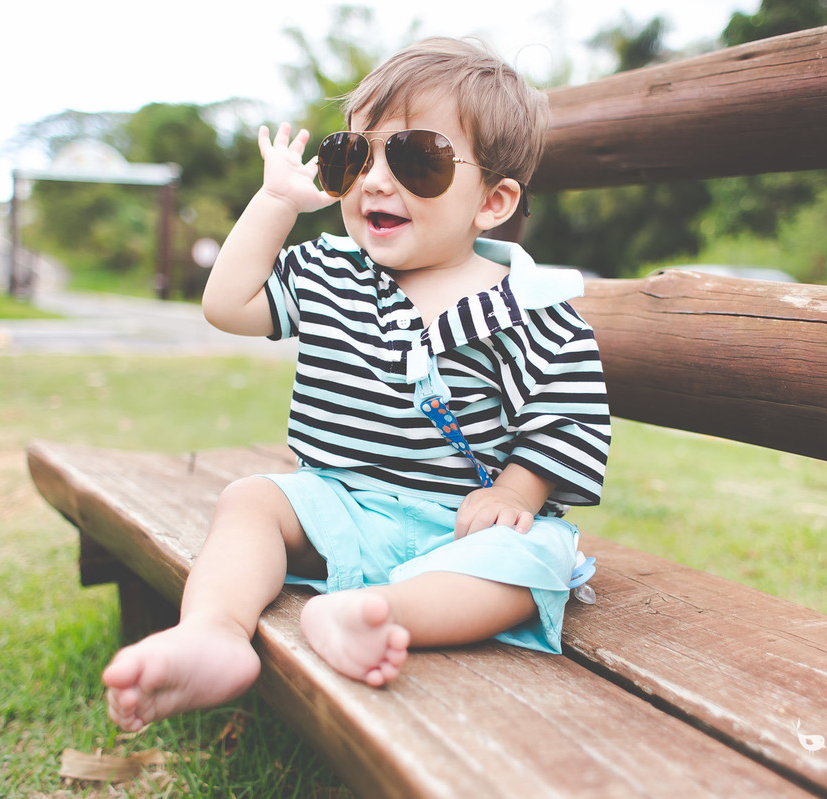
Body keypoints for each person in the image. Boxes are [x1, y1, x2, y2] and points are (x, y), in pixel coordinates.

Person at [102, 36, 610, 733]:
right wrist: (278, 201)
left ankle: (373, 615)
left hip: (462, 531)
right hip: (343, 507)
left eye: (417, 158)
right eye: (355, 154)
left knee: (535, 558)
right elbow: (227, 304)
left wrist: (515, 493)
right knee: (251, 499)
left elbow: (567, 419)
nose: (373, 179)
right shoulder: (332, 271)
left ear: (492, 201)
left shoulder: (530, 306)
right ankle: (213, 631)